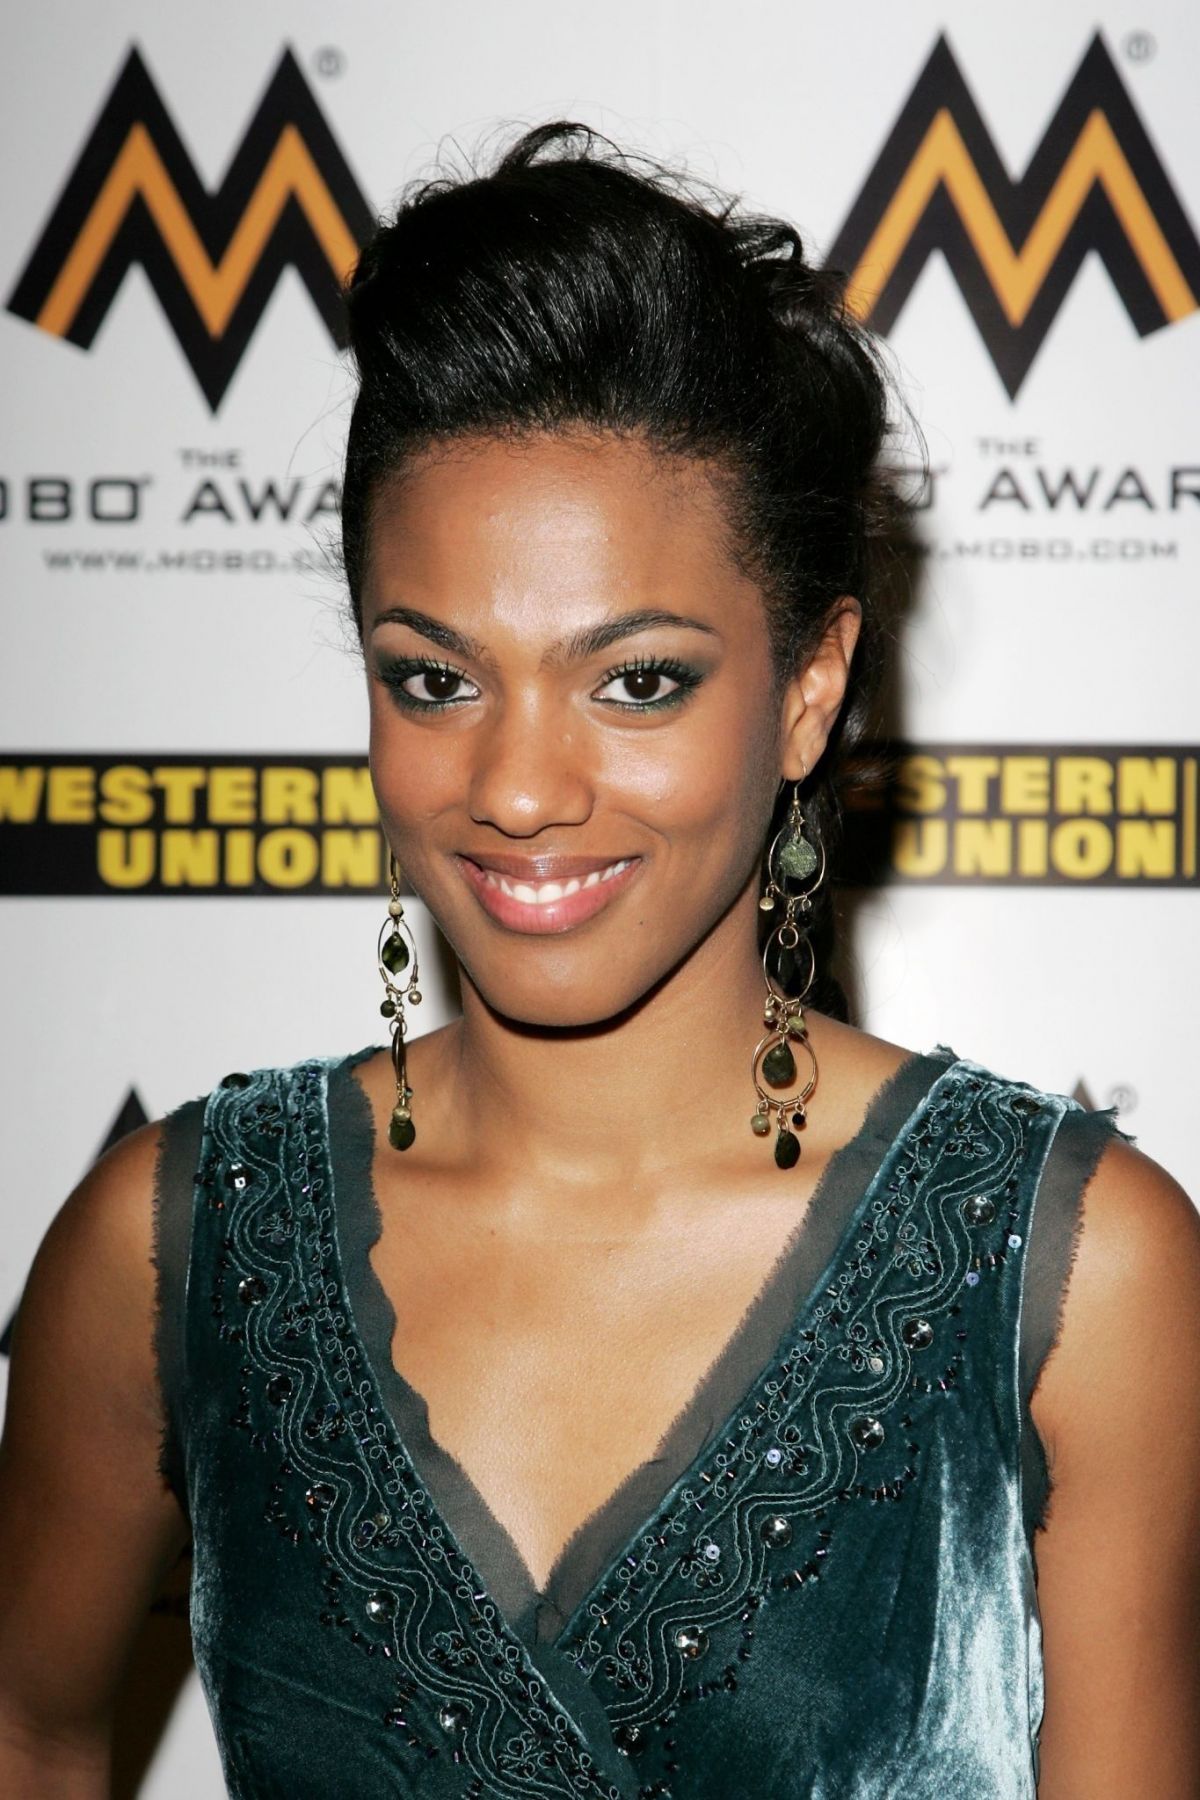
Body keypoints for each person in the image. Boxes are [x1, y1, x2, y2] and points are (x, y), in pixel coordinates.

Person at [1, 122, 1198, 1800]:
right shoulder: (176, 1243)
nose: (516, 788)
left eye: (637, 681)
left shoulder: (1074, 1272)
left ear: (807, 691)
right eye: (434, 679)